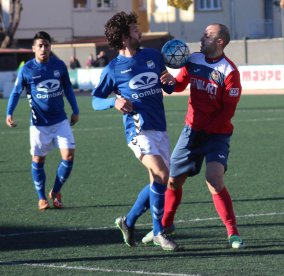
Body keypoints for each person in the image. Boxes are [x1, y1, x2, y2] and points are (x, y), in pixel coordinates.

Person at [142, 23, 245, 249]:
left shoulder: (230, 72)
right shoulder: (194, 60)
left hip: (217, 134)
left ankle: (232, 233)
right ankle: (165, 226)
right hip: (191, 131)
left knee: (214, 179)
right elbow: (179, 85)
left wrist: (205, 132)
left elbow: (227, 112)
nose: (201, 38)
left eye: (207, 35)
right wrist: (168, 81)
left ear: (220, 42)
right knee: (172, 181)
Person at [91, 11, 178, 251]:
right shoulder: (113, 69)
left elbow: (167, 86)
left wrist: (170, 82)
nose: (140, 32)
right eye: (134, 29)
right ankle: (159, 232)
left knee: (159, 181)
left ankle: (128, 222)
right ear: (124, 37)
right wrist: (113, 102)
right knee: (161, 173)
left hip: (159, 127)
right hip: (137, 131)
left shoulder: (153, 56)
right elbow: (95, 100)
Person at [6, 31, 80, 211]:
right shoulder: (27, 69)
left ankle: (55, 191)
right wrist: (9, 112)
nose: (43, 49)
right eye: (40, 45)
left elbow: (68, 88)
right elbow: (16, 93)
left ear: (50, 47)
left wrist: (75, 110)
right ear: (33, 48)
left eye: (46, 45)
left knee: (69, 156)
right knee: (38, 160)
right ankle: (41, 198)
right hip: (39, 125)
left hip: (60, 121)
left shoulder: (59, 65)